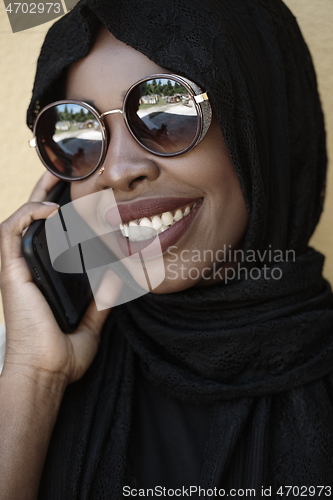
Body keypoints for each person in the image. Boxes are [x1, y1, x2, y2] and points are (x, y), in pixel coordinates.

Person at [1, 0, 333, 498]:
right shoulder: (26, 368)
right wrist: (34, 377)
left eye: (166, 112)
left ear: (261, 128)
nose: (116, 171)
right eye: (78, 132)